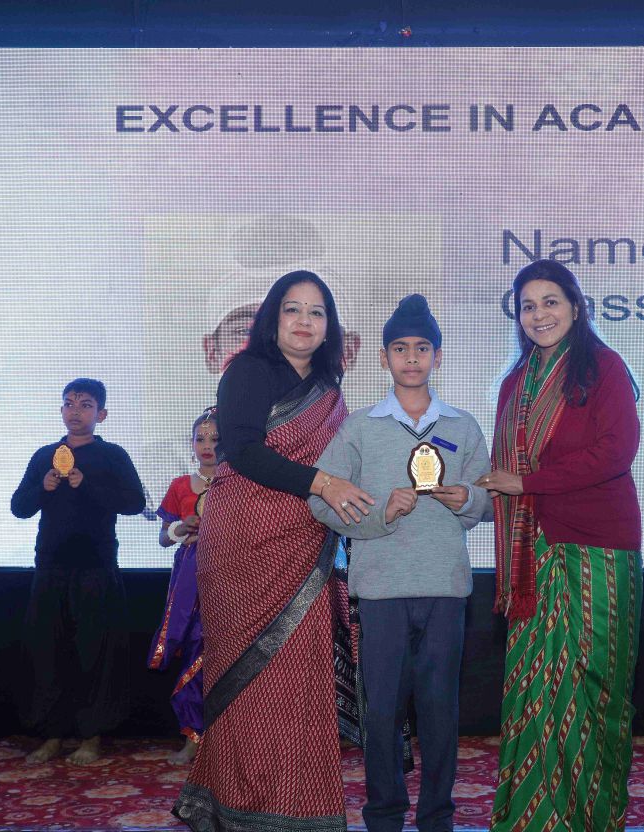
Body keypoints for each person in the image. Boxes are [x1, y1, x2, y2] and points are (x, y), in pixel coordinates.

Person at [173, 269, 372, 832]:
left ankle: (297, 805)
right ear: (272, 319)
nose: (304, 321)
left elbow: (343, 462)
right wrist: (323, 484)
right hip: (245, 544)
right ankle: (237, 803)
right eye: (292, 309)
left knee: (299, 680)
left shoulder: (329, 387)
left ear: (330, 327)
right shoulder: (248, 371)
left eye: (317, 312)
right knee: (248, 677)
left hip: (306, 543)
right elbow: (241, 451)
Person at [308, 294, 492, 832]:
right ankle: (384, 816)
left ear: (438, 356)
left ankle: (437, 816)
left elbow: (486, 501)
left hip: (444, 589)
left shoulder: (462, 425)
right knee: (382, 711)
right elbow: (321, 501)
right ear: (384, 357)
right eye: (400, 348)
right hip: (381, 590)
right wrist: (380, 515)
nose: (412, 358)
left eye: (422, 348)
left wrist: (468, 500)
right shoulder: (360, 427)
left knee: (440, 712)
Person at [477, 260, 643, 832]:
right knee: (535, 687)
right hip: (534, 550)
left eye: (550, 302)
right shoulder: (514, 383)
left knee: (592, 685)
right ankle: (531, 817)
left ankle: (590, 816)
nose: (539, 315)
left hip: (597, 548)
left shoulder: (603, 368)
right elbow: (501, 470)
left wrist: (527, 482)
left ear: (576, 307)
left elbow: (615, 453)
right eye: (528, 306)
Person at [11, 378, 146, 765]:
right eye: (69, 403)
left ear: (101, 414)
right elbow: (19, 507)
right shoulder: (45, 456)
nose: (76, 411)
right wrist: (43, 487)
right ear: (61, 410)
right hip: (50, 566)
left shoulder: (112, 455)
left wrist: (87, 485)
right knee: (48, 651)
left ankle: (91, 736)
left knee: (94, 652)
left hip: (95, 567)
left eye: (86, 404)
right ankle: (51, 735)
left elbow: (135, 503)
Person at [148, 408, 218, 765]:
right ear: (191, 444)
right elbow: (164, 538)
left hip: (231, 577)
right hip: (191, 580)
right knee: (193, 650)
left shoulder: (241, 484)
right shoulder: (179, 486)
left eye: (216, 439)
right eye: (200, 439)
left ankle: (231, 742)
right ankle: (193, 738)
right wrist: (181, 528)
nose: (207, 446)